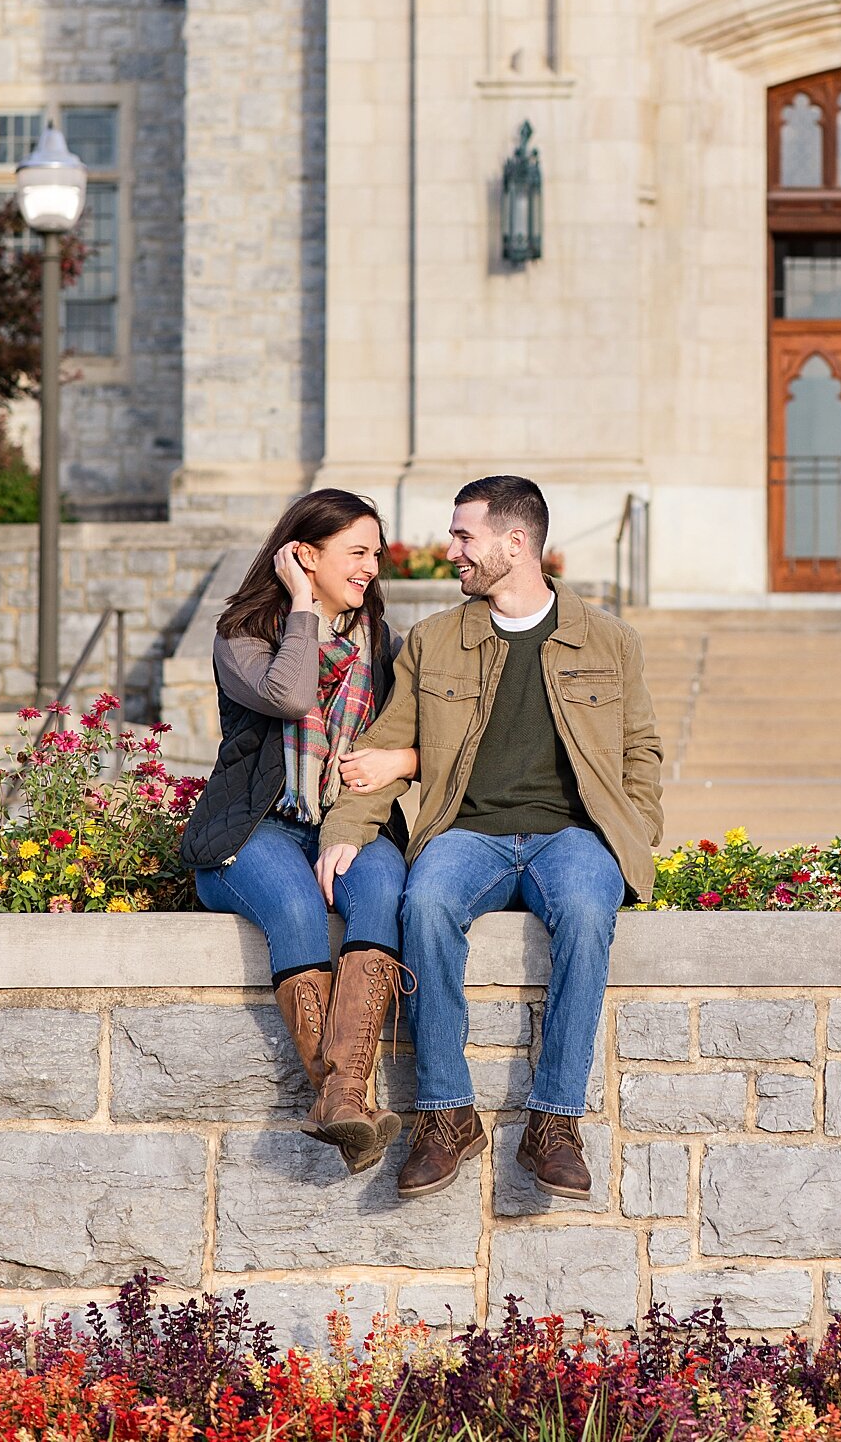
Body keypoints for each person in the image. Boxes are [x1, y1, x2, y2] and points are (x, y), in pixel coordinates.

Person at [320, 473, 663, 1199]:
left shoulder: (609, 639)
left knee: (588, 909)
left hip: (570, 835)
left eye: (464, 535)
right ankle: (445, 1116)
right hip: (466, 831)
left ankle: (555, 1123)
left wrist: (637, 830)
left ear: (516, 543)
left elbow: (640, 750)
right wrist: (346, 832)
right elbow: (385, 747)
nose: (451, 550)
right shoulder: (434, 641)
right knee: (428, 905)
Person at [179, 488, 418, 1172]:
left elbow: (423, 732)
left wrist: (403, 759)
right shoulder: (243, 633)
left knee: (382, 892)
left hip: (346, 820)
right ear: (303, 555)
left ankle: (341, 1100)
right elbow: (289, 694)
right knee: (294, 907)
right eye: (357, 552)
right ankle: (345, 1099)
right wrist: (305, 608)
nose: (372, 566)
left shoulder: (380, 643)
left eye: (376, 553)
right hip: (256, 831)